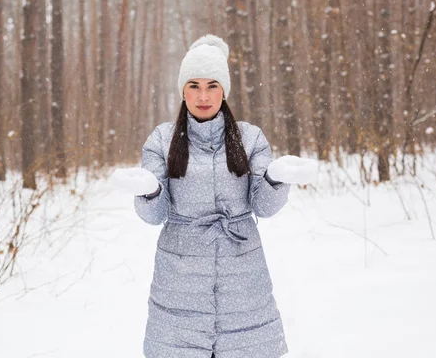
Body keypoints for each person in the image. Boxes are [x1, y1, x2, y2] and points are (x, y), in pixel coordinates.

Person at [111, 35, 317, 358]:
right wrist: (149, 190)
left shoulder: (250, 138)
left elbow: (262, 204)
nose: (203, 96)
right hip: (179, 286)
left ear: (224, 90)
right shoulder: (163, 140)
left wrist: (276, 178)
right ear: (182, 90)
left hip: (243, 283)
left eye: (212, 86)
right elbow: (155, 214)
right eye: (193, 85)